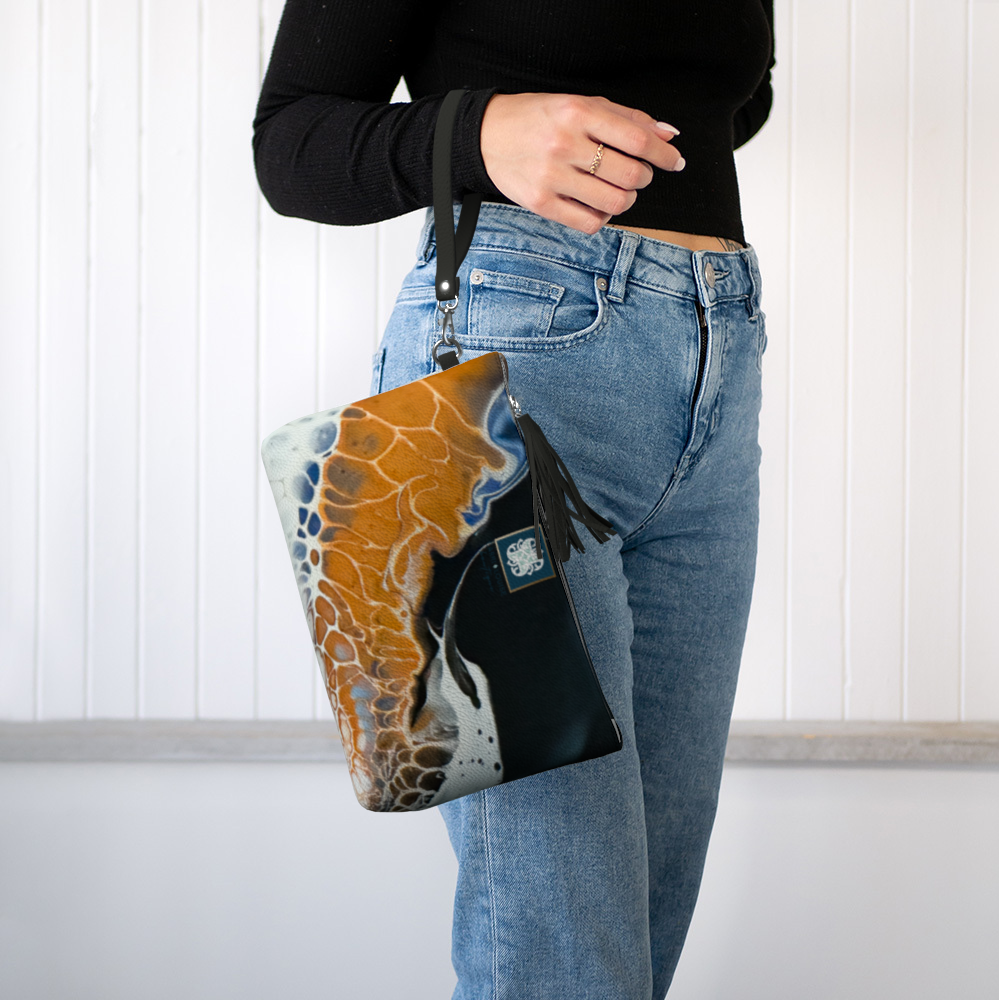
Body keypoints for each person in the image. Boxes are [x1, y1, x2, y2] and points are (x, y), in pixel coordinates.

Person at [253, 2, 774, 997]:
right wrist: (480, 131)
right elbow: (290, 140)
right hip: (514, 367)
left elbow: (728, 101)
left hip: (715, 359)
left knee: (632, 942)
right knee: (564, 953)